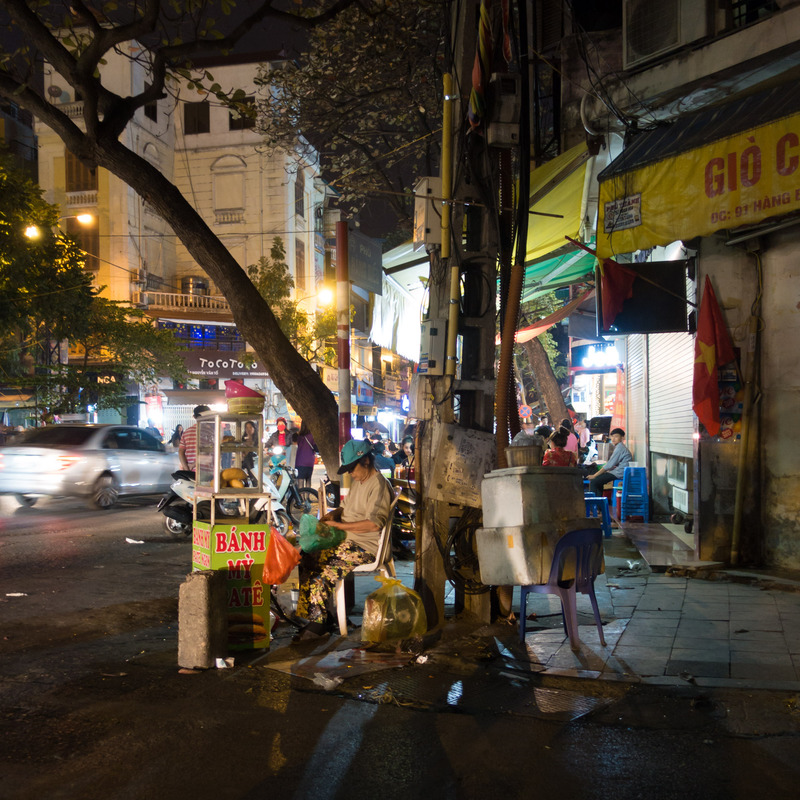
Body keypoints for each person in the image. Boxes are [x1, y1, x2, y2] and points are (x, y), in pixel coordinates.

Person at [293, 439, 393, 642]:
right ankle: (322, 616)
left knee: (323, 572)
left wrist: (340, 526)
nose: (350, 473)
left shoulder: (379, 485)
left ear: (365, 461)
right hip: (347, 541)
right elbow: (346, 508)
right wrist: (334, 515)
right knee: (307, 557)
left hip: (365, 546)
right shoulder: (360, 482)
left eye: (352, 468)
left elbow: (375, 524)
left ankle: (318, 625)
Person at [588, 427, 632, 496]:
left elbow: (609, 465)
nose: (613, 439)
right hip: (617, 472)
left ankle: (594, 503)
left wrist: (594, 476)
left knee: (594, 481)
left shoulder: (620, 448)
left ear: (622, 438)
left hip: (619, 473)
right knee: (598, 481)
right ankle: (599, 503)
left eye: (616, 436)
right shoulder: (618, 447)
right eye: (612, 436)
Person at [178, 405, 210, 471]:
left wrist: (187, 469)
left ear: (194, 417)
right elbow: (210, 453)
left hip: (190, 471)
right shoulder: (211, 432)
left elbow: (181, 452)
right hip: (206, 471)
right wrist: (194, 464)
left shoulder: (186, 432)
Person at [293, 420, 317, 488]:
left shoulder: (299, 436)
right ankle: (307, 497)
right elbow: (315, 447)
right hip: (310, 461)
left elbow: (293, 441)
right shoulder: (312, 436)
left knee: (300, 481)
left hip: (300, 461)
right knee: (308, 480)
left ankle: (301, 497)